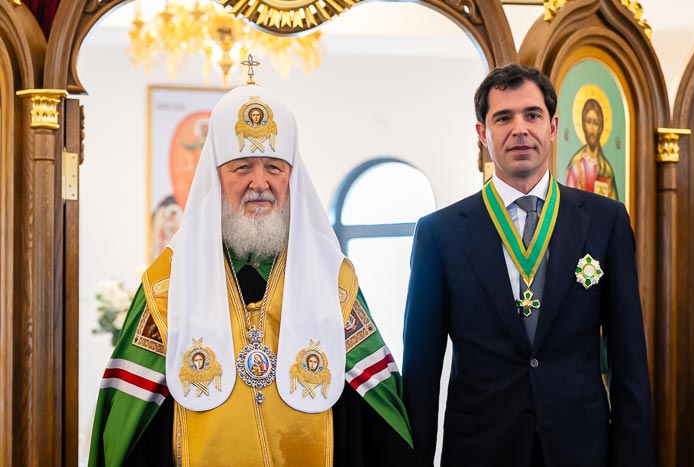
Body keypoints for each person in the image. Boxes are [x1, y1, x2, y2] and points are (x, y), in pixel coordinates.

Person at [89, 76, 414, 466]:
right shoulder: (167, 286)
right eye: (242, 167)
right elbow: (130, 423)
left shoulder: (333, 281)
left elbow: (376, 416)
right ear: (215, 178)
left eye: (274, 167)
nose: (260, 183)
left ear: (291, 177)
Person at [402, 64, 652, 467]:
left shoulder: (605, 221)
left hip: (581, 448)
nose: (519, 129)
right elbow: (421, 372)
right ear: (482, 133)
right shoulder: (439, 233)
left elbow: (629, 360)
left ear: (552, 127)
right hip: (481, 450)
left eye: (532, 115)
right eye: (503, 118)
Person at [565, 98, 618, 199]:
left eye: (596, 122)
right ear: (584, 125)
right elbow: (568, 202)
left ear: (600, 128)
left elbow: (613, 204)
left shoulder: (605, 169)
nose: (592, 128)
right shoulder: (576, 167)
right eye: (588, 122)